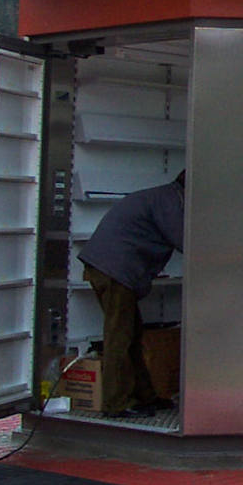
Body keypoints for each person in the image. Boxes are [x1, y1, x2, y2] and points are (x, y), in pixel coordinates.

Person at [79, 172, 185, 418]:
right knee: (120, 337)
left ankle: (143, 396)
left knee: (131, 334)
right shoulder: (170, 201)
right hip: (114, 270)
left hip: (108, 267)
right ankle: (115, 403)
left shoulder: (160, 196)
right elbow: (184, 239)